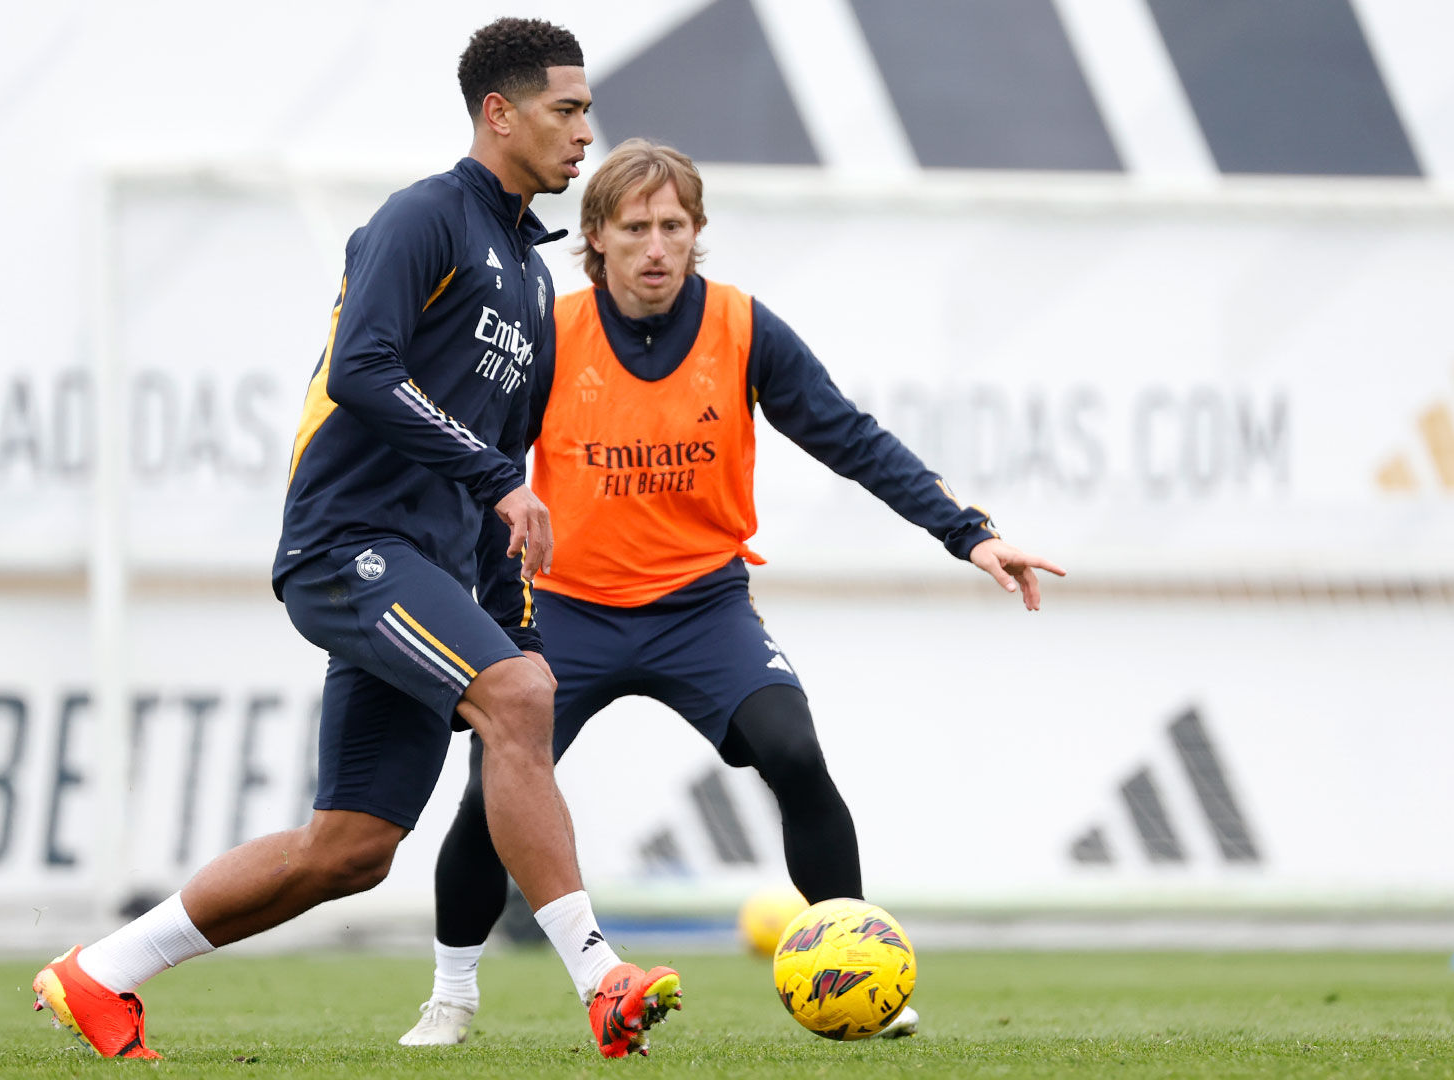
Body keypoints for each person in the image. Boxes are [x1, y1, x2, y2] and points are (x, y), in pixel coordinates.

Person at [29, 22, 683, 1061]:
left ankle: (98, 974)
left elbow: (497, 475)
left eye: (586, 109)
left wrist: (505, 607)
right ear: (498, 114)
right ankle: (602, 981)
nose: (584, 131)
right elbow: (363, 373)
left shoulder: (527, 273)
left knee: (350, 851)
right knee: (519, 697)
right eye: (567, 109)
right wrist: (497, 494)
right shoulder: (425, 217)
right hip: (348, 548)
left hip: (428, 570)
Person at [398, 139, 1065, 1046]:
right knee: (492, 796)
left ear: (698, 233)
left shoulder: (743, 328)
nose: (656, 247)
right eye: (634, 228)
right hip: (565, 613)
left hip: (702, 609)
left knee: (794, 753)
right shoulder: (550, 332)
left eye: (674, 226)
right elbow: (482, 472)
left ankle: (863, 970)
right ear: (594, 238)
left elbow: (851, 439)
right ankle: (452, 996)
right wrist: (476, 616)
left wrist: (971, 533)